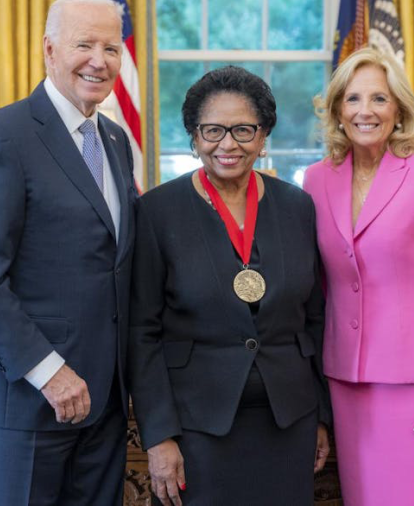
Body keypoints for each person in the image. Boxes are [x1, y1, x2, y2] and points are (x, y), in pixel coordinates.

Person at [0, 0, 137, 505]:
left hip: (105, 398)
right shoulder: (1, 137)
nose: (99, 61)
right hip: (31, 399)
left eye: (112, 47)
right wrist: (50, 372)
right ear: (49, 49)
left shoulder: (116, 142)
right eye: (84, 44)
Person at [128, 66, 331, 506]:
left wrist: (322, 417)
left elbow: (314, 318)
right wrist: (159, 435)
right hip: (197, 424)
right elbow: (142, 332)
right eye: (213, 130)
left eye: (243, 129)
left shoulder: (298, 207)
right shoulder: (157, 212)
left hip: (289, 419)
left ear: (263, 136)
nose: (228, 144)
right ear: (193, 136)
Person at [303, 47, 414, 506]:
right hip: (346, 378)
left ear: (398, 109)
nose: (366, 111)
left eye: (379, 99)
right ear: (338, 110)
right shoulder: (316, 180)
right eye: (354, 99)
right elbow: (317, 283)